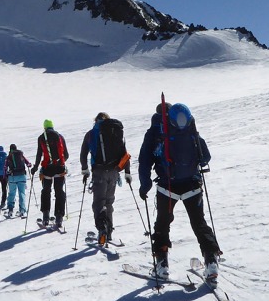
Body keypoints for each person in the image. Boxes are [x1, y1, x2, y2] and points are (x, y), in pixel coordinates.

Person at [138, 102, 222, 282]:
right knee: (199, 223)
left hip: (167, 188)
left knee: (162, 224)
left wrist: (145, 186)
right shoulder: (188, 128)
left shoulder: (155, 131)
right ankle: (211, 261)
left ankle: (162, 265)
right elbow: (205, 156)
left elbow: (144, 160)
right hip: (192, 185)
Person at [80, 112, 131, 245]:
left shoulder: (91, 134)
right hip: (114, 172)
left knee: (98, 202)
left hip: (99, 172)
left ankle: (102, 228)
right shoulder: (115, 131)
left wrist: (85, 170)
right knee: (109, 202)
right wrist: (127, 172)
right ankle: (109, 232)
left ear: (95, 120)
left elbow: (83, 154)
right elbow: (124, 153)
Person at [32, 119, 69, 229]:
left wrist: (35, 167)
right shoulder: (60, 136)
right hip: (59, 169)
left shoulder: (41, 138)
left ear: (44, 127)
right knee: (59, 191)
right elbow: (66, 154)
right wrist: (60, 163)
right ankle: (59, 217)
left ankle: (46, 216)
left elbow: (39, 155)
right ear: (52, 126)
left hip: (47, 169)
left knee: (46, 191)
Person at [4, 143, 31, 217]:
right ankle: (22, 210)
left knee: (12, 193)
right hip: (22, 176)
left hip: (12, 177)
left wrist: (5, 176)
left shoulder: (9, 157)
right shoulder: (20, 154)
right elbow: (28, 163)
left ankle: (10, 210)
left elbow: (5, 167)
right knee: (21, 193)